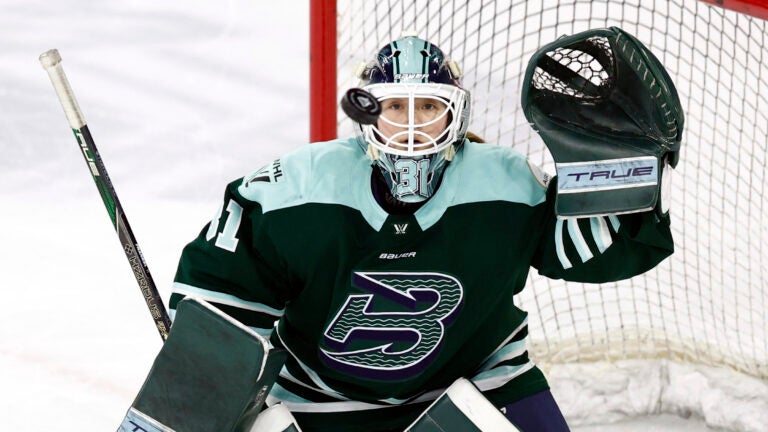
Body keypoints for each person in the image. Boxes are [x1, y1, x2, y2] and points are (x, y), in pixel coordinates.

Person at [169, 34, 676, 432]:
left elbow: (587, 252)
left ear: (455, 112)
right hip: (319, 398)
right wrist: (208, 381)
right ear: (369, 113)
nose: (412, 124)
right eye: (396, 108)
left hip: (479, 382)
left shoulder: (505, 183)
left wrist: (633, 181)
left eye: (429, 107)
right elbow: (221, 291)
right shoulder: (300, 188)